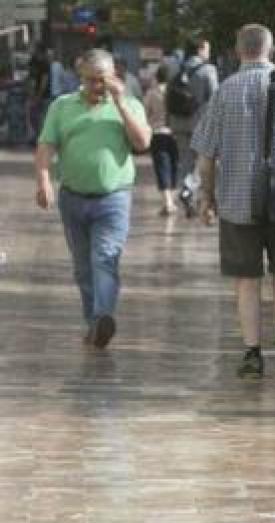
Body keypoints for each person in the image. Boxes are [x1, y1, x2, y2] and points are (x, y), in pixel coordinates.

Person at [192, 23, 275, 379]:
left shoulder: (225, 92)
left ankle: (252, 353)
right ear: (271, 49)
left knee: (246, 278)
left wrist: (206, 195)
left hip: (237, 199)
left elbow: (205, 155)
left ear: (238, 51)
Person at [33, 48, 151, 349]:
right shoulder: (62, 106)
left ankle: (102, 317)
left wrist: (121, 102)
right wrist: (44, 179)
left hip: (113, 198)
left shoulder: (130, 104)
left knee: (105, 259)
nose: (96, 87)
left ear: (114, 77)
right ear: (80, 78)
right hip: (72, 198)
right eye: (90, 80)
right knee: (83, 268)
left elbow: (142, 143)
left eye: (102, 80)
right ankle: (94, 322)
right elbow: (46, 145)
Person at [173, 40, 219, 218]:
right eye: (207, 48)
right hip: (200, 124)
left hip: (179, 123)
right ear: (200, 49)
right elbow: (215, 99)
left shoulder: (176, 68)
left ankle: (187, 193)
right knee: (202, 162)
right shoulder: (208, 70)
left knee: (185, 161)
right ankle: (189, 189)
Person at [143, 63, 178, 216]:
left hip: (157, 133)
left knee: (162, 167)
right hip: (175, 134)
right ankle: (172, 200)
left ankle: (168, 202)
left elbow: (145, 114)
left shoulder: (152, 93)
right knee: (174, 166)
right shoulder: (175, 92)